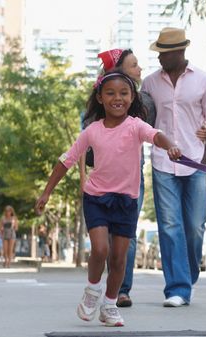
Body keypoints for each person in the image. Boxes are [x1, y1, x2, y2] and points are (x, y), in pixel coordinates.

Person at [35, 70, 182, 327]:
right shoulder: (92, 131)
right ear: (100, 98)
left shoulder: (136, 126)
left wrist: (170, 145)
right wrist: (47, 192)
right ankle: (92, 291)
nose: (118, 98)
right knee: (101, 249)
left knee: (119, 259)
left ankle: (110, 305)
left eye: (124, 93)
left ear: (132, 97)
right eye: (110, 93)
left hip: (126, 201)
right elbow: (65, 161)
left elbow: (156, 135)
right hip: (97, 198)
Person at [94, 48, 206, 308]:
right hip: (107, 177)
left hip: (137, 172)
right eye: (134, 65)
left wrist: (202, 129)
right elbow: (85, 137)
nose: (140, 68)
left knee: (188, 226)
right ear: (118, 70)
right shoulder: (103, 98)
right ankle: (122, 289)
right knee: (135, 231)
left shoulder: (143, 96)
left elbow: (160, 125)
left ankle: (176, 280)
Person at [142, 27, 206, 307]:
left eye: (165, 54)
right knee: (169, 225)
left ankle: (187, 278)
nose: (160, 58)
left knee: (195, 226)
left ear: (180, 52)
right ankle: (177, 288)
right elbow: (144, 122)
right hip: (163, 162)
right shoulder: (149, 84)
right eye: (159, 53)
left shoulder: (205, 81)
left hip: (195, 162)